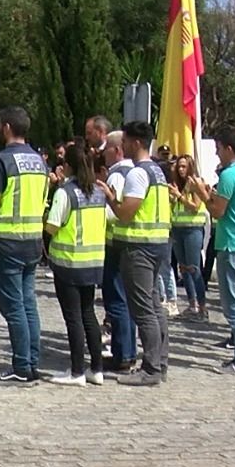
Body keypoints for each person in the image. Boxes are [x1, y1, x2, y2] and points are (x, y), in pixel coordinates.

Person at [0, 106, 48, 384]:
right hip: (33, 240)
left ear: (6, 127)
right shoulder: (40, 161)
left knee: (14, 308)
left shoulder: (1, 160)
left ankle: (21, 366)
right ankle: (31, 362)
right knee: (28, 305)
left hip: (6, 242)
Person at [189, 131, 235, 374]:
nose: (217, 153)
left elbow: (217, 211)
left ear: (229, 148)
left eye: (218, 148)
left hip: (232, 245)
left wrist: (201, 193)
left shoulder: (229, 175)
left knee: (234, 306)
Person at [112, 121, 172, 386]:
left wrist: (111, 198)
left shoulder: (137, 173)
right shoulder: (158, 170)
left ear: (136, 142)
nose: (122, 146)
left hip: (139, 247)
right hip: (158, 243)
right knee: (155, 306)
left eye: (125, 141)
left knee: (144, 309)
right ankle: (160, 362)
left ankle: (150, 368)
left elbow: (126, 212)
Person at [44, 141, 108, 385]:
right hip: (92, 261)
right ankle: (97, 368)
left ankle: (77, 371)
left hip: (68, 262)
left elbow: (52, 226)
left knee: (73, 318)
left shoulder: (65, 192)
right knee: (89, 314)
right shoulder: (98, 192)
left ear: (67, 166)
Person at [99, 131, 135, 372]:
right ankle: (127, 352)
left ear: (117, 150)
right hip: (127, 242)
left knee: (117, 300)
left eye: (106, 150)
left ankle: (122, 354)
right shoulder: (133, 171)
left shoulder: (117, 175)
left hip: (115, 243)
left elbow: (112, 212)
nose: (104, 155)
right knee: (126, 301)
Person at [168, 154, 208, 319]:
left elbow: (195, 206)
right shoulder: (178, 184)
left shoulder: (195, 182)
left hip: (193, 229)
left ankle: (202, 308)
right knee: (183, 268)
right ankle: (192, 305)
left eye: (184, 166)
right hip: (178, 228)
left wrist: (178, 196)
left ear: (190, 167)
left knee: (194, 268)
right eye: (179, 166)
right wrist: (173, 199)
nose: (181, 169)